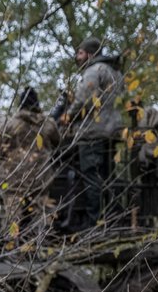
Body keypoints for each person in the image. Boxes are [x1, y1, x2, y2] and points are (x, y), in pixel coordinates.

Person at [50, 36, 124, 231]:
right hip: (111, 131)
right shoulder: (114, 72)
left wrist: (66, 117)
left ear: (90, 54)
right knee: (108, 177)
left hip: (92, 133)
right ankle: (112, 220)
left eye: (80, 53)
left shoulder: (93, 71)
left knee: (91, 177)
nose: (77, 57)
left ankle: (93, 225)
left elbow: (83, 99)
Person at [0, 86, 61, 235]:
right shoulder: (47, 123)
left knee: (12, 216)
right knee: (41, 212)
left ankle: (9, 249)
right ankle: (40, 247)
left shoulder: (10, 124)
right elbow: (58, 142)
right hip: (40, 175)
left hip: (14, 176)